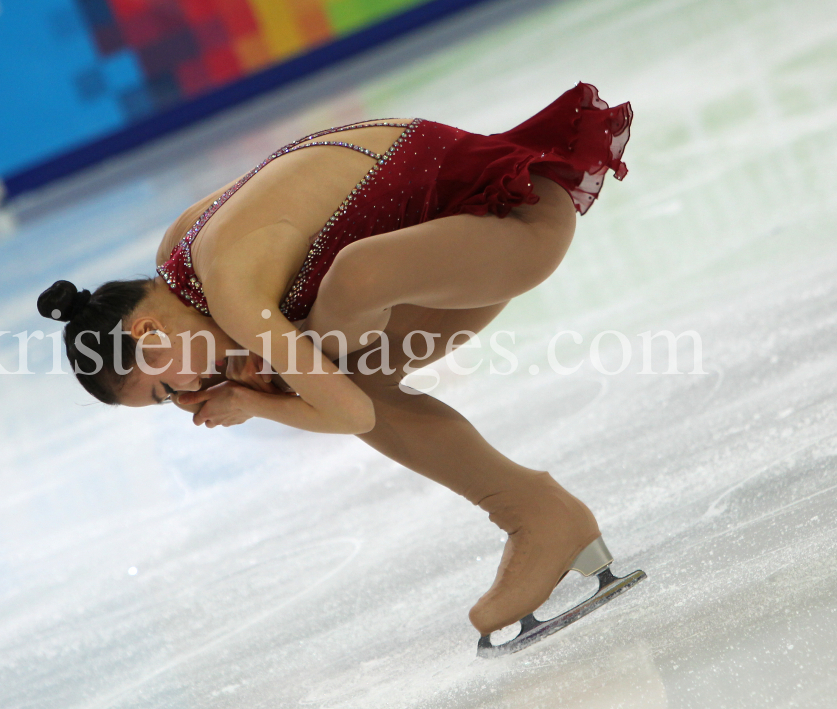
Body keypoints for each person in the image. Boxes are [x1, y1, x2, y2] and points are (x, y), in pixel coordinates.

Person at [37, 82, 643, 653]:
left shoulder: (231, 292)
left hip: (514, 224)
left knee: (347, 320)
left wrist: (255, 399)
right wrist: (276, 364)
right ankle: (539, 515)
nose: (191, 393)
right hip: (473, 238)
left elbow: (351, 413)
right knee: (341, 350)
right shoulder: (178, 255)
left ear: (147, 332)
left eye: (167, 388)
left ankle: (534, 514)